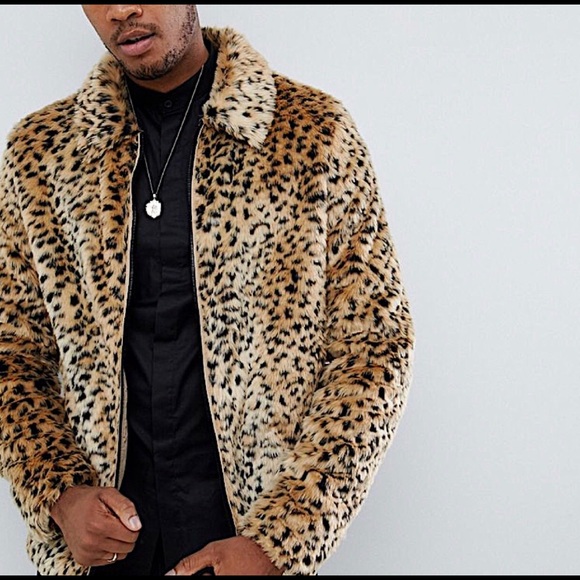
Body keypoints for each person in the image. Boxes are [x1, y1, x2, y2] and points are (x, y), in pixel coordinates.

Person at [0, 4, 415, 576]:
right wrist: (59, 494)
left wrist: (281, 542)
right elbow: (11, 349)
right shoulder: (41, 154)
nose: (121, 10)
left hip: (244, 541)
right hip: (100, 552)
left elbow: (375, 349)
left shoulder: (313, 135)